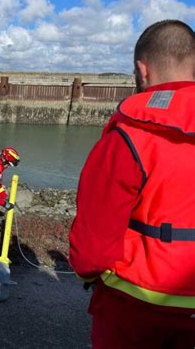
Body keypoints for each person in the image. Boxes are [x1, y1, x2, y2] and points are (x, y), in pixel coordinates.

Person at [69, 19, 195, 348]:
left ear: (142, 70)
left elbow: (91, 251)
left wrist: (89, 274)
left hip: (135, 307)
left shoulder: (129, 135)